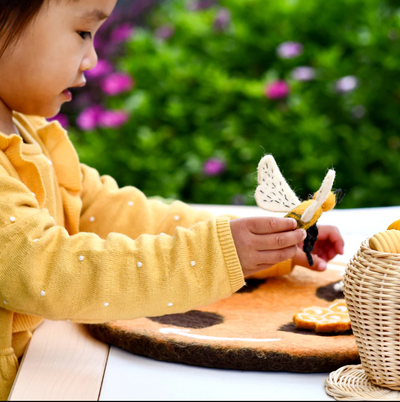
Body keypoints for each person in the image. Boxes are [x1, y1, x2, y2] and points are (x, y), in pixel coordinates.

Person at [0, 0, 344, 398]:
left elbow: (112, 212)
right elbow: (52, 271)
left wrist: (263, 246)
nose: (92, 58)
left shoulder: (29, 130)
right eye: (82, 32)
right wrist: (216, 255)